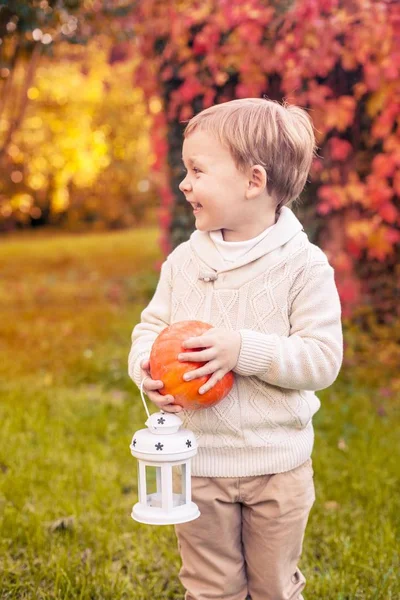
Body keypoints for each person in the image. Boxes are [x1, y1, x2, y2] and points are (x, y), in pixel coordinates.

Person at [128, 98, 343, 600]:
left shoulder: (304, 267)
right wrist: (147, 370)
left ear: (253, 181)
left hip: (278, 467)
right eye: (186, 170)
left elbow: (321, 358)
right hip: (199, 463)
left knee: (273, 587)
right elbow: (151, 329)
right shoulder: (183, 262)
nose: (185, 183)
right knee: (210, 587)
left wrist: (242, 350)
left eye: (198, 170)